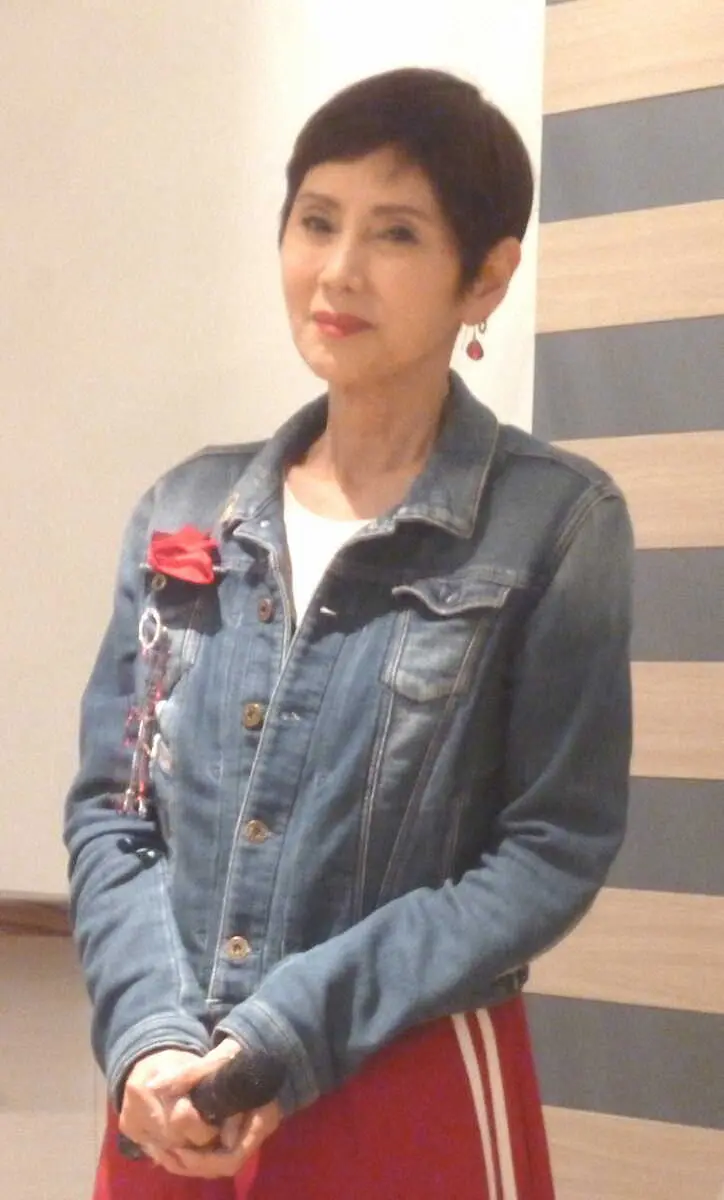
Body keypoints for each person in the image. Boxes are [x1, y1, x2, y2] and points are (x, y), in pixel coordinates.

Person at [65, 67, 633, 1199]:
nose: (338, 269)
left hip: (403, 1082)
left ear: (486, 276)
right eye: (316, 221)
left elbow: (550, 848)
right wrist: (149, 1038)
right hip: (172, 1096)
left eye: (396, 233)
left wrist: (289, 1029)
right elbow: (113, 812)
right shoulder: (188, 506)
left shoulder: (554, 524)